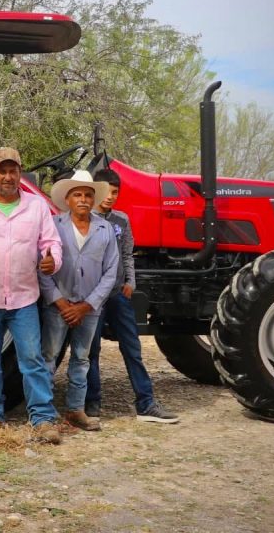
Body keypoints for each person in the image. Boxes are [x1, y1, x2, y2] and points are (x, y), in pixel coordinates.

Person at [0, 148, 63, 445]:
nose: (7, 176)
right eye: (1, 171)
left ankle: (42, 419)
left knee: (32, 359)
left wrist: (52, 261)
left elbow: (51, 243)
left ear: (20, 173)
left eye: (13, 170)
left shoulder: (36, 206)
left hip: (24, 299)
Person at [83, 168, 180, 423]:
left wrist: (130, 281)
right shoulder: (85, 219)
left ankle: (146, 403)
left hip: (118, 294)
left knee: (132, 348)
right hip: (93, 297)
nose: (110, 196)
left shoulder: (121, 220)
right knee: (90, 351)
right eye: (105, 191)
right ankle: (92, 401)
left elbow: (128, 254)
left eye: (115, 192)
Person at [39, 169, 119, 432]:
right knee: (49, 357)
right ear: (68, 199)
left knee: (82, 359)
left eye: (88, 194)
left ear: (94, 199)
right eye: (77, 194)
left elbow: (111, 272)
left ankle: (76, 410)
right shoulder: (53, 225)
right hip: (57, 306)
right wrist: (60, 303)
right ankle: (45, 413)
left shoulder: (105, 229)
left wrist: (86, 306)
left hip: (89, 308)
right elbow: (41, 267)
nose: (83, 199)